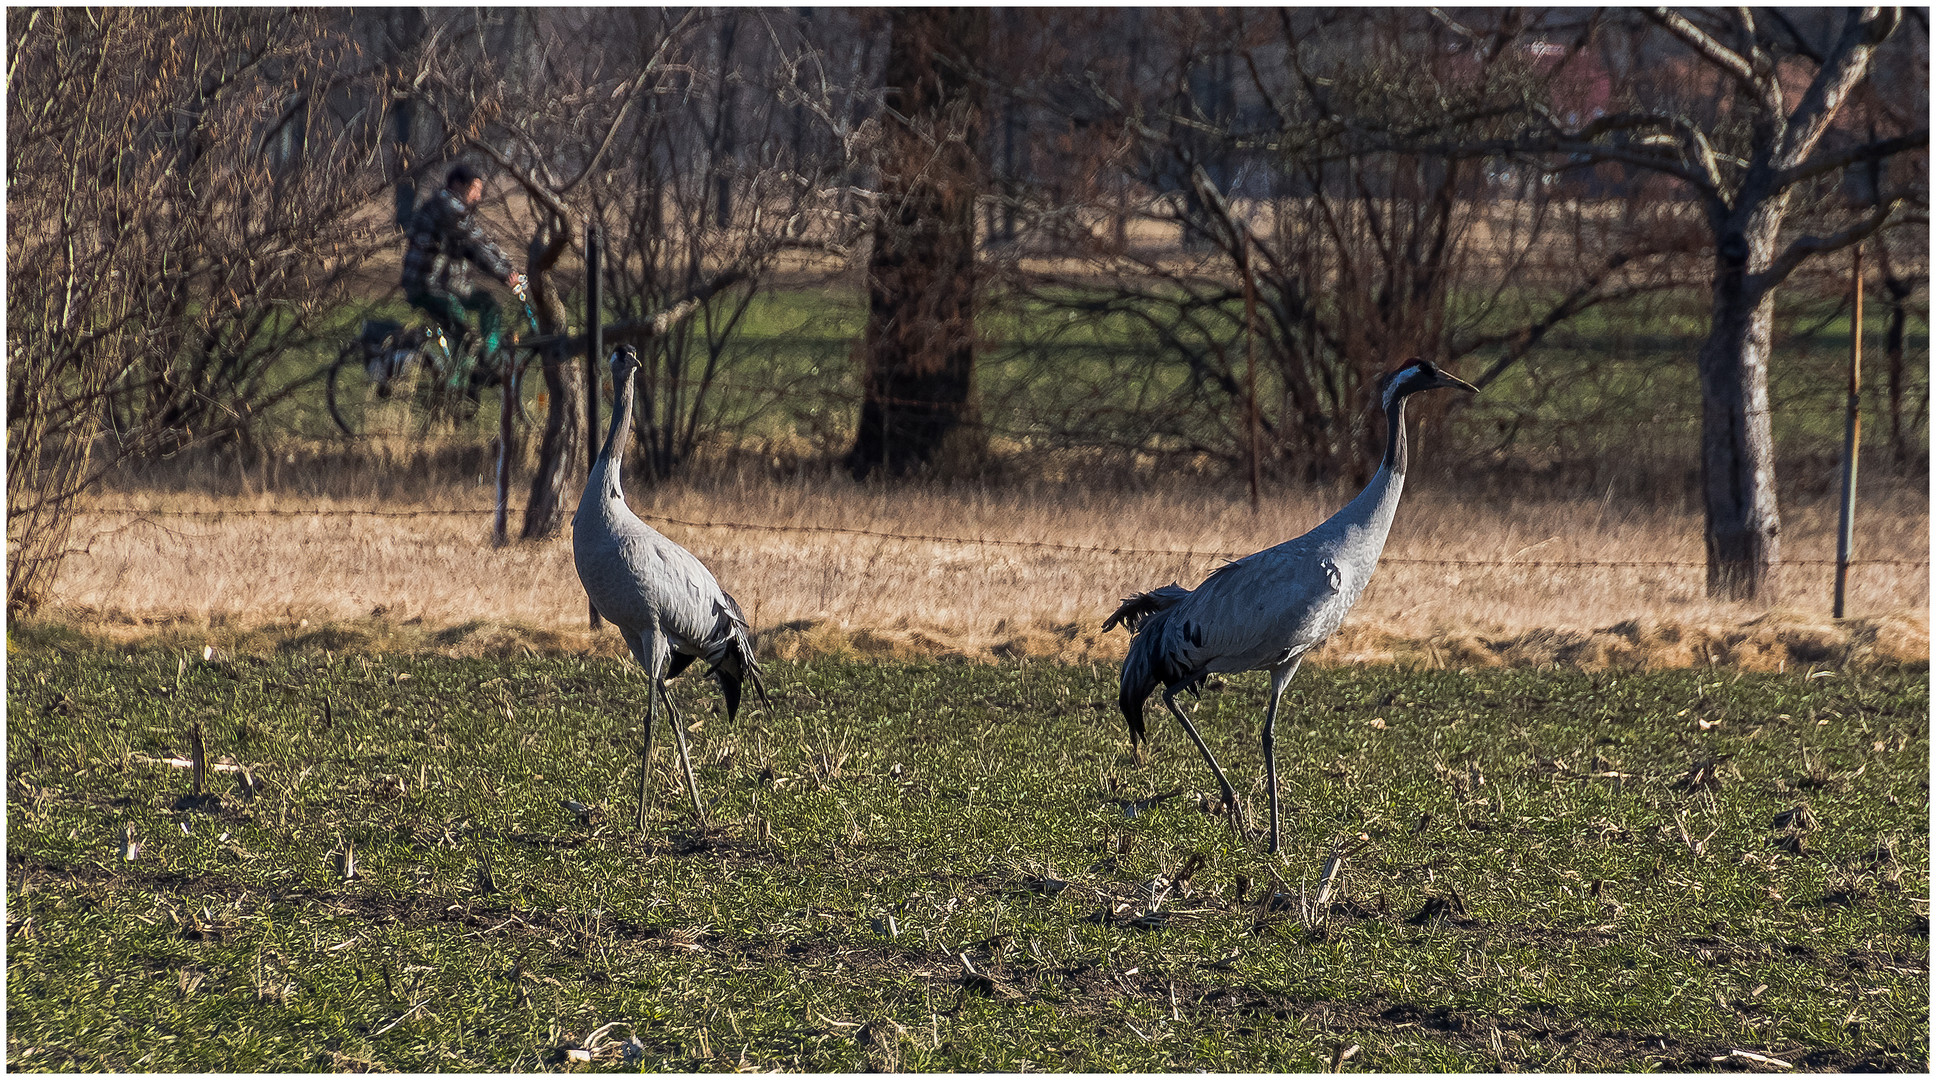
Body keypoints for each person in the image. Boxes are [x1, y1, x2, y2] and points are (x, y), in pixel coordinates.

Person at [400, 164, 526, 368]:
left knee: (489, 305)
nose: (478, 196)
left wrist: (510, 269)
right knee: (466, 335)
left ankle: (487, 363)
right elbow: (473, 246)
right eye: (474, 189)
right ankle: (454, 388)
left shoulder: (458, 211)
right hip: (426, 285)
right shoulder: (446, 208)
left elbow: (483, 241)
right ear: (458, 185)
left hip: (448, 285)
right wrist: (504, 274)